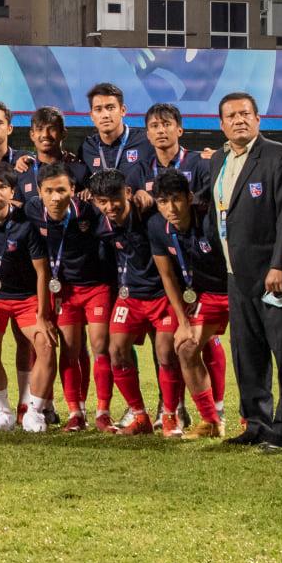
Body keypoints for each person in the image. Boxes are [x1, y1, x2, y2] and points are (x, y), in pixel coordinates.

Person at [208, 91, 282, 450]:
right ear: (221, 124)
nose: (239, 120)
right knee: (248, 354)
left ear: (258, 119)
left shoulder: (279, 155)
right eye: (231, 116)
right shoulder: (217, 159)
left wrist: (279, 264)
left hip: (270, 276)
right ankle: (256, 423)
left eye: (245, 113)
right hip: (235, 275)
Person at [0, 161, 54, 432]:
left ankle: (33, 412)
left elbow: (42, 272)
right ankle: (2, 411)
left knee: (45, 344)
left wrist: (42, 316)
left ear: (12, 191)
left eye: (2, 187)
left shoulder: (27, 224)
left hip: (27, 298)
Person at [26, 162, 112, 432]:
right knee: (70, 349)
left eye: (62, 190)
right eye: (49, 190)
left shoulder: (89, 212)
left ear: (73, 190)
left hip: (96, 287)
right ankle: (76, 412)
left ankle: (103, 411)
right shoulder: (31, 211)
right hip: (63, 291)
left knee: (99, 346)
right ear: (39, 191)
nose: (55, 197)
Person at [147, 171, 228, 439]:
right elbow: (168, 276)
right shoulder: (157, 227)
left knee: (250, 351)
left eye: (176, 200)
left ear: (189, 198)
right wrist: (183, 322)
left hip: (234, 291)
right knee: (185, 348)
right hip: (204, 296)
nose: (170, 208)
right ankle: (210, 421)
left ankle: (252, 419)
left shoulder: (210, 221)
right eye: (162, 202)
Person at [88, 168, 157, 436]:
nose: (109, 206)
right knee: (115, 350)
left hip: (160, 294)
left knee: (167, 353)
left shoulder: (148, 218)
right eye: (101, 201)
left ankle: (172, 413)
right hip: (129, 297)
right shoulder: (101, 228)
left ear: (128, 193)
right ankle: (139, 414)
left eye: (114, 199)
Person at [127, 102, 213, 205]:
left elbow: (213, 195)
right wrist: (136, 195)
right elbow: (124, 197)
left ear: (179, 130)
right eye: (154, 126)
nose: (161, 131)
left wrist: (187, 201)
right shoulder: (141, 170)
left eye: (167, 124)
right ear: (148, 135)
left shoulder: (198, 163)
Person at [79, 82, 154, 175]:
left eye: (110, 108)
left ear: (123, 110)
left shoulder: (146, 141)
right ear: (91, 115)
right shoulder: (87, 148)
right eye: (98, 109)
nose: (105, 115)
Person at [16, 106, 88, 200]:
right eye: (40, 129)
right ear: (32, 135)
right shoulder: (22, 171)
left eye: (52, 129)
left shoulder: (80, 170)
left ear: (63, 133)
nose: (45, 134)